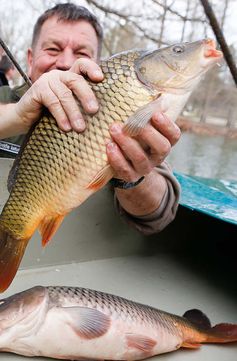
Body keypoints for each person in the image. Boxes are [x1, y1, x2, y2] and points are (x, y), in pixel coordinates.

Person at [0, 3, 181, 235]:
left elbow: (157, 217)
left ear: (98, 63)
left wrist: (131, 175)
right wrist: (16, 115)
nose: (65, 62)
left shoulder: (118, 109)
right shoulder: (5, 99)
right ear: (30, 58)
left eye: (82, 54)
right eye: (53, 49)